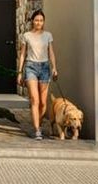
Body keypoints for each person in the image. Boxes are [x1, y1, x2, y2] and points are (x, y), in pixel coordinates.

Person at [17, 9, 58, 140]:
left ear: (43, 22)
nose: (38, 22)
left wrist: (54, 68)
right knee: (35, 100)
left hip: (45, 67)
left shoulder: (48, 35)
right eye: (36, 20)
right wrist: (20, 72)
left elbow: (51, 52)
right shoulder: (27, 36)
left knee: (43, 102)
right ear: (32, 21)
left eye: (41, 20)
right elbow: (23, 54)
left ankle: (38, 124)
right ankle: (37, 130)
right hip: (31, 67)